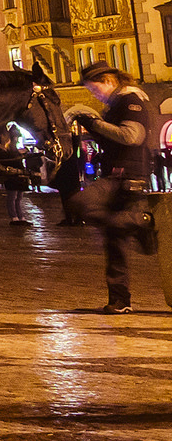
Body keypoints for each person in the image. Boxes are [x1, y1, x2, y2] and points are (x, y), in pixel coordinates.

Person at [68, 60, 159, 314]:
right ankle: (120, 301)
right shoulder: (118, 103)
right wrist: (91, 125)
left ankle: (142, 221)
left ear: (108, 81)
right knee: (114, 238)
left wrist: (94, 122)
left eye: (94, 89)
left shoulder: (130, 101)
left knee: (79, 203)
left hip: (126, 176)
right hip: (118, 174)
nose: (94, 94)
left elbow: (131, 136)